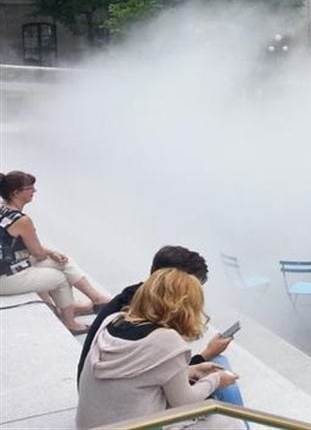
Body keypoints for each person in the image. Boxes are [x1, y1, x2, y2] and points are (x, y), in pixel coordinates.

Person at [78, 245, 241, 411]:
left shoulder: (126, 310)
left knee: (214, 371)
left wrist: (196, 366)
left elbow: (146, 368)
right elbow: (181, 397)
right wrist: (214, 374)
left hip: (97, 405)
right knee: (224, 400)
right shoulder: (161, 331)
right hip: (125, 413)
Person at [0, 170, 111, 333]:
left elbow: (26, 246)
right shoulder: (22, 220)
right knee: (58, 278)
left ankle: (97, 299)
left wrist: (52, 252)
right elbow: (37, 253)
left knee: (63, 261)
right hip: (6, 277)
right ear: (16, 193)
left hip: (9, 266)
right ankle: (69, 322)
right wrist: (47, 254)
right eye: (30, 188)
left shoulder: (3, 210)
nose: (34, 191)